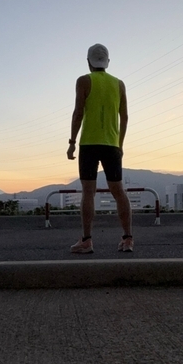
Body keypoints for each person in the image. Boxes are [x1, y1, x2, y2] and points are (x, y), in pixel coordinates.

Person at [67, 43, 133, 254]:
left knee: (88, 192)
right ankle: (128, 239)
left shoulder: (83, 81)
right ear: (107, 62)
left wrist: (71, 142)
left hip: (89, 144)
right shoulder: (119, 84)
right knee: (119, 191)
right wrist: (120, 144)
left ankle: (86, 241)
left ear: (88, 62)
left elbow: (78, 113)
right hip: (112, 145)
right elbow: (125, 117)